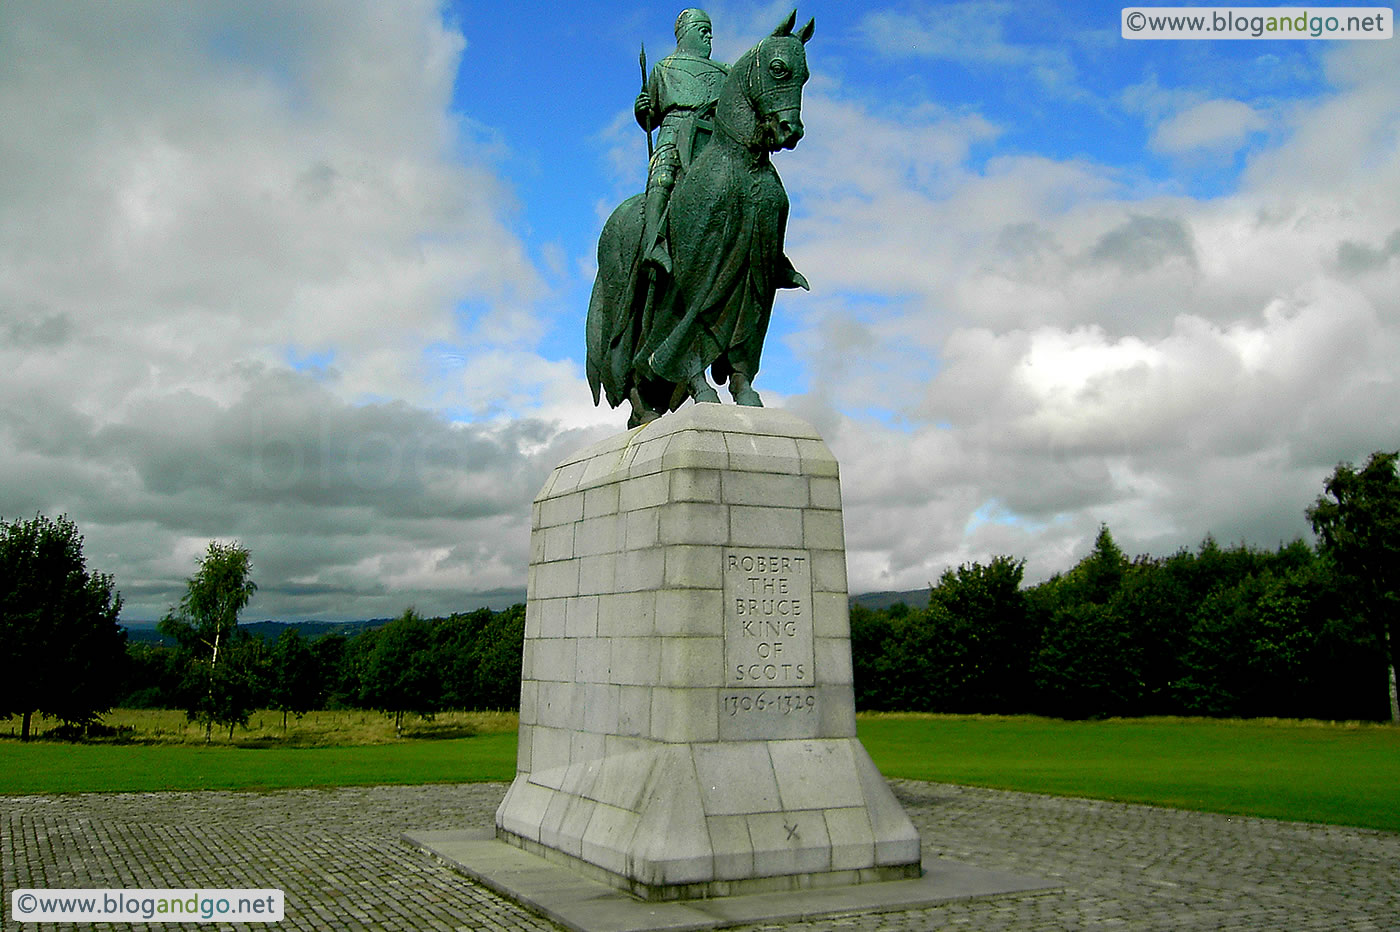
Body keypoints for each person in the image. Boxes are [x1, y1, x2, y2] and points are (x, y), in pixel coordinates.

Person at [634, 9, 728, 273]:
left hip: (714, 137)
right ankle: (654, 242)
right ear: (686, 33)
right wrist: (642, 109)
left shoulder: (725, 73)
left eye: (710, 32)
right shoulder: (663, 69)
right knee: (662, 175)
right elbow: (651, 113)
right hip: (674, 132)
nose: (710, 37)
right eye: (703, 31)